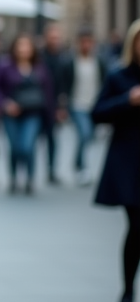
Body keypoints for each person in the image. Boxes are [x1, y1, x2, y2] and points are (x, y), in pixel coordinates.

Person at [91, 19, 140, 302]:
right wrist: (128, 100)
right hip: (129, 163)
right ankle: (127, 291)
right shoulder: (119, 76)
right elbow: (97, 113)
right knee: (137, 226)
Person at [0, 34, 55, 195]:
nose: (23, 49)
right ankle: (13, 178)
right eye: (20, 45)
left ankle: (30, 178)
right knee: (14, 147)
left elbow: (48, 91)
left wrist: (51, 113)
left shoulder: (39, 67)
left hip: (33, 113)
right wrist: (5, 104)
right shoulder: (5, 66)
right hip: (11, 114)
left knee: (27, 146)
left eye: (27, 46)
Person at [61, 29, 108, 186]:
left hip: (95, 105)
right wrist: (62, 106)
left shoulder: (99, 61)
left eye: (89, 42)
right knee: (84, 134)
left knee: (89, 136)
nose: (86, 45)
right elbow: (64, 84)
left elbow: (105, 83)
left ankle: (78, 161)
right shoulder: (70, 62)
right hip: (77, 104)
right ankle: (81, 167)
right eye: (83, 42)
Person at [39, 24, 69, 185]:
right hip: (37, 104)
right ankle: (30, 171)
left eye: (57, 38)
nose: (54, 40)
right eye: (52, 37)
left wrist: (62, 107)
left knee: (52, 139)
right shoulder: (39, 56)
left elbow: (64, 85)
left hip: (53, 106)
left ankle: (51, 170)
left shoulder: (63, 58)